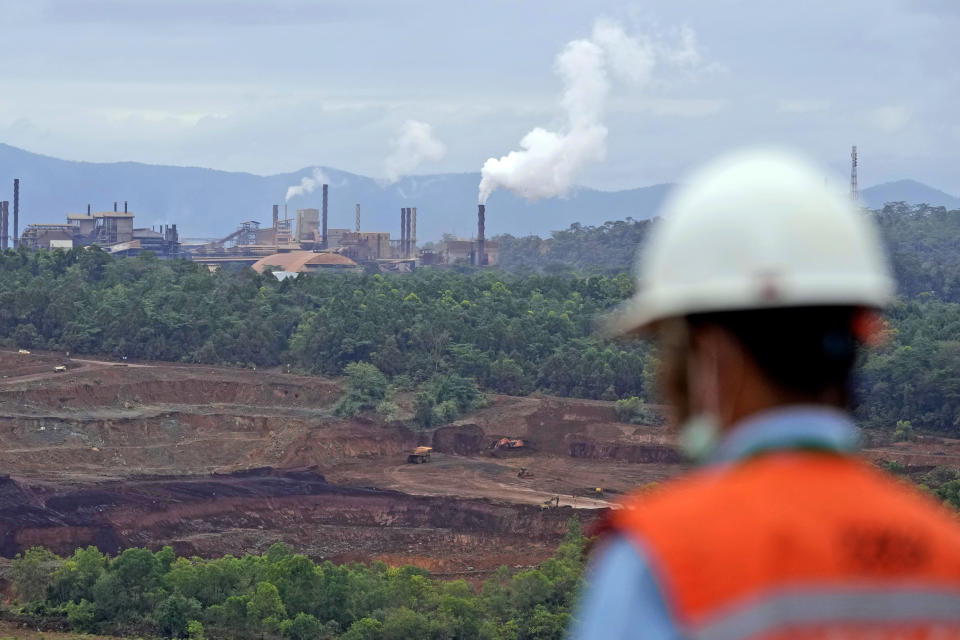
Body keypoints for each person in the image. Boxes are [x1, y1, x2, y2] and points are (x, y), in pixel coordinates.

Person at [571, 149, 960, 639]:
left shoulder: (664, 559)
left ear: (710, 353)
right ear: (861, 333)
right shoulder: (946, 554)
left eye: (670, 347)